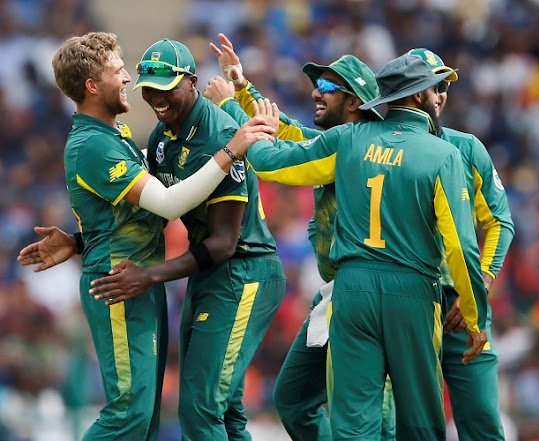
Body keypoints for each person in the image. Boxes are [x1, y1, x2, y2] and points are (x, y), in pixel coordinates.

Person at [16, 32, 274, 441]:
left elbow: (142, 215)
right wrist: (230, 151)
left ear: (190, 82)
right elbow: (169, 206)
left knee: (154, 415)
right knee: (131, 415)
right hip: (119, 281)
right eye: (120, 72)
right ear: (92, 86)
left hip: (150, 277)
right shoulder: (95, 144)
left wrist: (81, 240)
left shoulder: (118, 136)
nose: (128, 82)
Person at [243, 52, 489, 441]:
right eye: (435, 87)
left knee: (353, 423)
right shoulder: (443, 154)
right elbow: (460, 248)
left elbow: (276, 165)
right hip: (412, 293)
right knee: (420, 421)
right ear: (422, 96)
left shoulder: (347, 138)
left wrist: (255, 135)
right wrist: (475, 316)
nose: (440, 94)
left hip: (352, 289)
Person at [86, 38, 286, 441]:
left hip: (244, 271)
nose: (157, 97)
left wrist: (148, 276)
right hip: (210, 275)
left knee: (200, 406)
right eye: (149, 88)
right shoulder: (162, 137)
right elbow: (155, 211)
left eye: (167, 86)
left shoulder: (223, 134)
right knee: (222, 412)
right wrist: (78, 242)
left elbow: (225, 242)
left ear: (191, 81)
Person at [204, 33, 396, 441]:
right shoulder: (340, 141)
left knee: (371, 418)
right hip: (342, 290)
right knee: (293, 397)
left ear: (356, 102)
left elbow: (275, 162)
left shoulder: (351, 144)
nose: (315, 92)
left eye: (328, 87)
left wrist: (227, 111)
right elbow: (288, 131)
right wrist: (240, 86)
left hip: (371, 294)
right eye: (317, 84)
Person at [406, 47, 514, 441]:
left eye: (446, 85)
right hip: (409, 304)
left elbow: (499, 221)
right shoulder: (382, 145)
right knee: (414, 426)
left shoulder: (467, 148)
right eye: (436, 86)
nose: (443, 94)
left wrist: (480, 283)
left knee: (483, 421)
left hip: (462, 306)